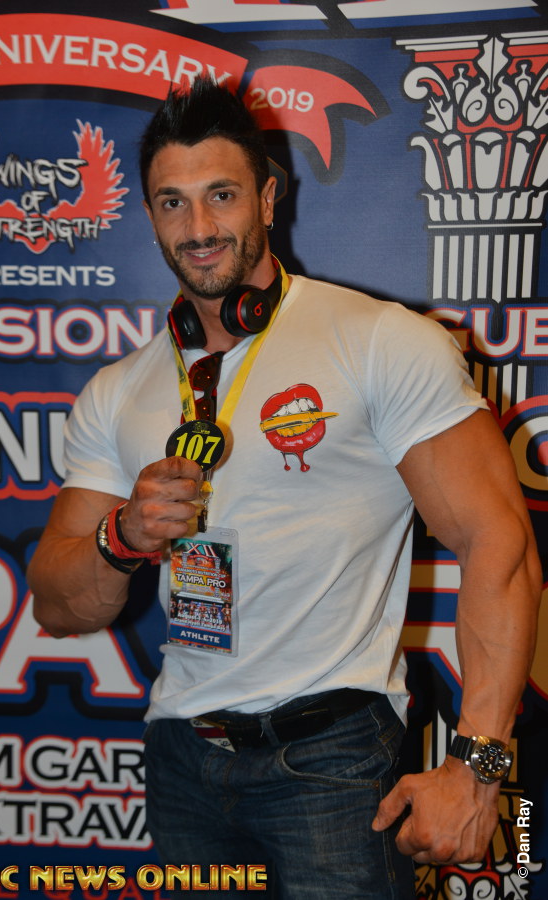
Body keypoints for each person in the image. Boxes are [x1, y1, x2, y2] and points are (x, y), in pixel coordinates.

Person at [28, 77, 541, 899]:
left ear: (267, 198)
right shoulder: (118, 390)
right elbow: (59, 604)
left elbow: (499, 542)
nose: (199, 228)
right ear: (150, 216)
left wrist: (477, 766)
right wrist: (121, 537)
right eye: (172, 202)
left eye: (221, 195)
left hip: (331, 761)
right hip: (182, 757)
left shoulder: (377, 341)